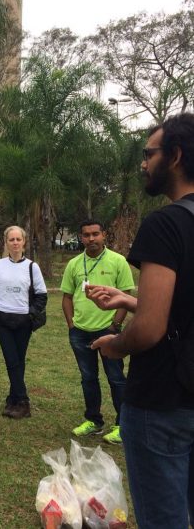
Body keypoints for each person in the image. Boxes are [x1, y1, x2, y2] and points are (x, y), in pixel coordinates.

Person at [86, 114, 194, 528]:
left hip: (163, 401)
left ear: (176, 156)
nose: (143, 163)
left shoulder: (166, 224)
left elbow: (151, 328)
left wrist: (116, 344)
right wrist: (131, 301)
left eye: (149, 154)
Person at [60, 220, 133, 444]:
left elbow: (126, 296)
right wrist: (72, 325)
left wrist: (115, 326)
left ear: (104, 235)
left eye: (95, 234)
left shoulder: (118, 261)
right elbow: (67, 297)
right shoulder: (74, 263)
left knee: (116, 378)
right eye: (86, 235)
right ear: (81, 238)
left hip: (108, 331)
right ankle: (94, 420)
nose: (91, 239)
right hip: (81, 332)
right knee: (88, 378)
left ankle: (123, 425)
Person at [0, 226, 47, 419]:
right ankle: (21, 400)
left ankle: (16, 400)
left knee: (18, 361)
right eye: (11, 240)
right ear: (6, 243)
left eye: (18, 239)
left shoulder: (32, 267)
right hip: (3, 320)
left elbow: (42, 295)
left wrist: (30, 314)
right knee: (12, 360)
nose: (15, 243)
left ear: (24, 242)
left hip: (23, 321)